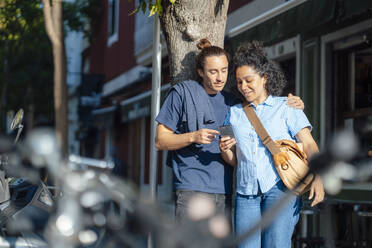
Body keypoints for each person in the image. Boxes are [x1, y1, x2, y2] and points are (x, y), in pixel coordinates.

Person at [155, 39, 304, 224]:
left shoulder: (233, 103)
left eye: (224, 71)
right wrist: (193, 136)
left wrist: (293, 102)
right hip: (191, 186)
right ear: (200, 72)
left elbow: (261, 109)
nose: (220, 78)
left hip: (224, 189)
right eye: (213, 72)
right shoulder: (182, 94)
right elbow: (160, 140)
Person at [219, 41, 324, 248]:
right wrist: (226, 151)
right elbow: (233, 160)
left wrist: (318, 178)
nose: (243, 87)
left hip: (281, 189)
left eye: (249, 80)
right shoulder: (232, 114)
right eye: (239, 82)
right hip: (245, 192)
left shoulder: (287, 106)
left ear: (265, 78)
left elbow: (309, 144)